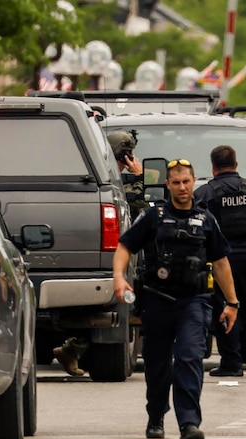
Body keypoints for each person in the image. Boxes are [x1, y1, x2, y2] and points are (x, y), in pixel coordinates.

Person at [112, 159, 239, 439]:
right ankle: (156, 416)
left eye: (187, 182)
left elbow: (220, 263)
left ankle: (189, 423)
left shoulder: (207, 220)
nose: (182, 187)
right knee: (157, 365)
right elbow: (125, 246)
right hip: (157, 300)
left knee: (189, 357)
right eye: (176, 183)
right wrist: (119, 277)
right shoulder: (153, 216)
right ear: (168, 185)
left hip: (193, 301)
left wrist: (232, 303)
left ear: (195, 182)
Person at [52, 131, 144, 377]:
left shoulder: (95, 173)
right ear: (125, 154)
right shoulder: (112, 180)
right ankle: (72, 349)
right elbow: (137, 203)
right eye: (129, 154)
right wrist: (138, 176)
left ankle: (71, 349)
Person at [194, 145, 246, 377]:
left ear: (213, 166)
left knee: (225, 307)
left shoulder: (205, 194)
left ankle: (231, 362)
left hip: (222, 261)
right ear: (236, 164)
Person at [107, 130, 147, 219]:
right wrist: (139, 175)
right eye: (128, 152)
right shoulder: (109, 179)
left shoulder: (122, 179)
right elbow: (140, 201)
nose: (132, 156)